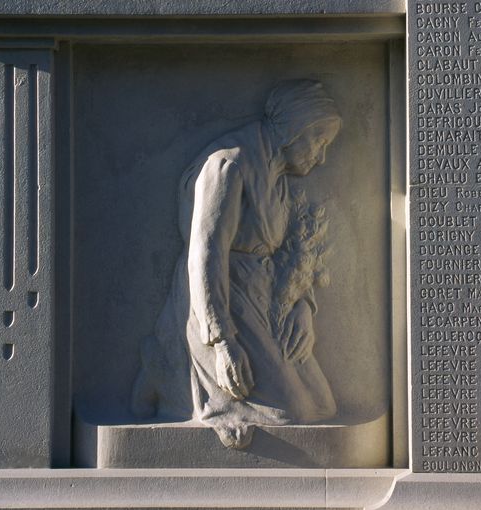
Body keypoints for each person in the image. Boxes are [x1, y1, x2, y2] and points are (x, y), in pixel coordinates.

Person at [131, 80, 342, 448]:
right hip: (223, 300)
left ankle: (165, 370)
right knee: (293, 415)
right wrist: (222, 341)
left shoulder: (277, 177)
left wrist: (303, 308)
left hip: (264, 299)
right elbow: (205, 254)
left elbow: (288, 252)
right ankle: (169, 369)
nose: (321, 157)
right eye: (319, 141)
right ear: (296, 128)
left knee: (321, 406)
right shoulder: (229, 165)